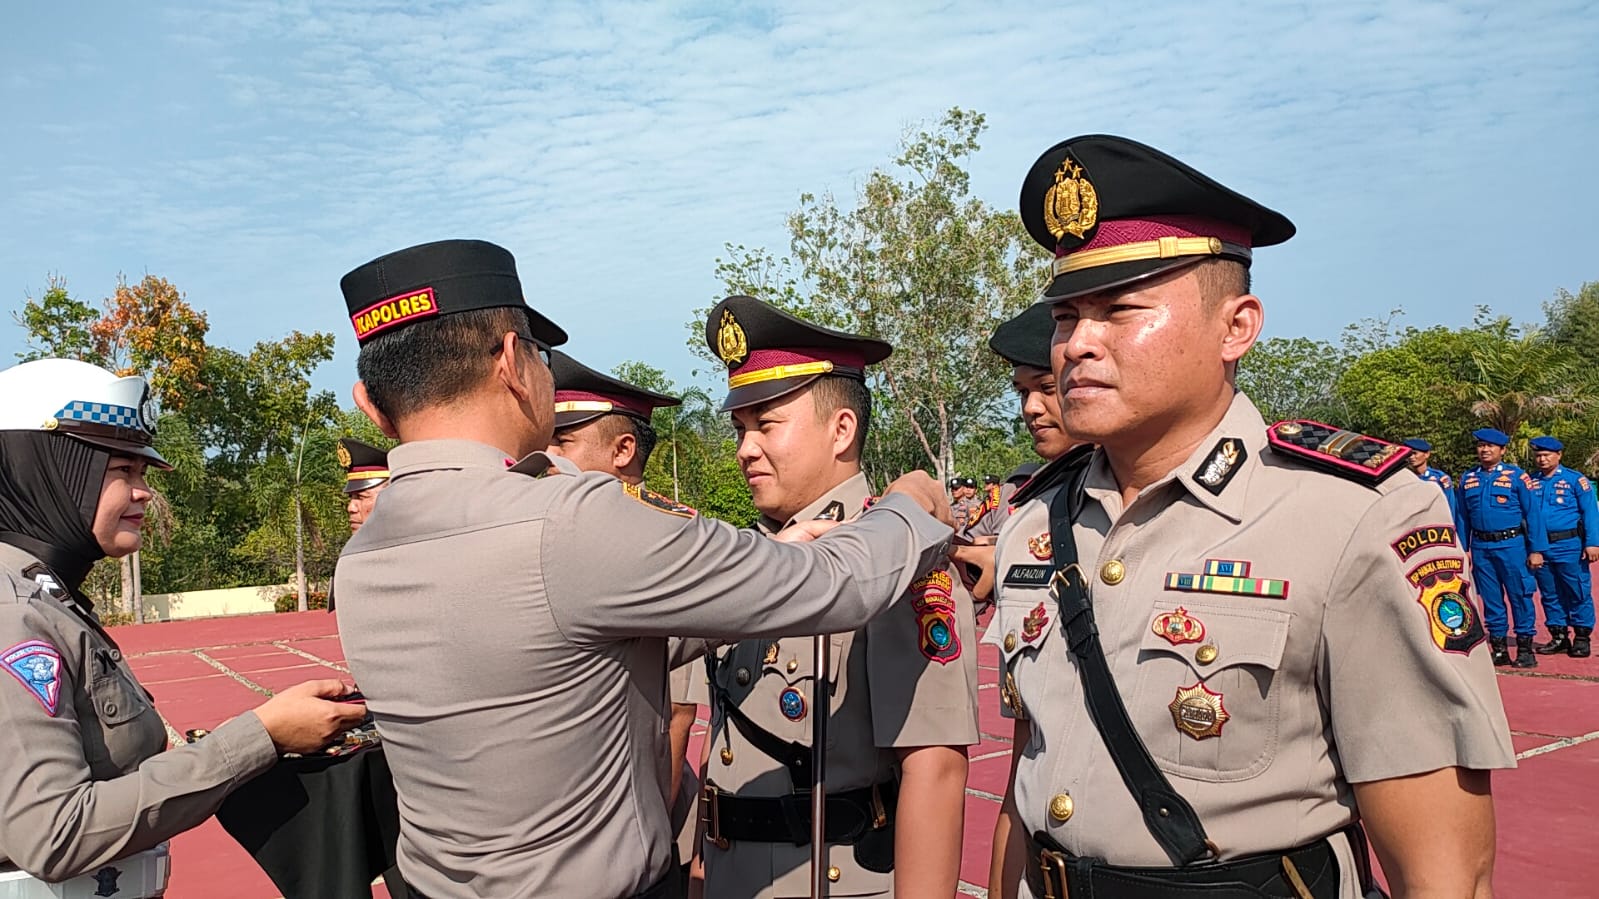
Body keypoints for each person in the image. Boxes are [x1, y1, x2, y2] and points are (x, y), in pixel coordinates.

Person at [331, 239, 954, 899]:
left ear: (368, 404)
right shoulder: (567, 520)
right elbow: (839, 584)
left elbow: (559, 648)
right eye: (541, 356)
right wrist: (908, 506)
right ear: (514, 362)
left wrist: (784, 550)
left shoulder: (362, 560)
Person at [987, 135, 1514, 899]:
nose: (1076, 344)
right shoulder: (1036, 519)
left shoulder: (1351, 513)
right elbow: (1027, 778)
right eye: (1066, 315)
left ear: (1236, 327)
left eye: (1118, 310)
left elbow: (1445, 867)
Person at [0, 358, 366, 895]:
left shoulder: (51, 598)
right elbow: (54, 833)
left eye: (142, 474)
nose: (144, 492)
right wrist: (258, 737)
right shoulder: (14, 615)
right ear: (49, 472)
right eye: (122, 470)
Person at [694, 295, 979, 898]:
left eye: (766, 425)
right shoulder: (753, 555)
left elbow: (934, 770)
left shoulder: (902, 564)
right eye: (740, 429)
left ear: (841, 429)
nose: (745, 449)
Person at [544, 348, 702, 890]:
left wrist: (651, 843)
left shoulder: (670, 546)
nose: (545, 456)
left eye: (562, 442)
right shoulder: (560, 540)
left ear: (623, 449)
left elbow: (678, 718)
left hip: (636, 844)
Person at [1458, 427, 1547, 667]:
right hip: (1481, 547)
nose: (1485, 450)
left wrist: (1536, 549)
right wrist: (1462, 547)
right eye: (1480, 446)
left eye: (1490, 446)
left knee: (1520, 595)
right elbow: (1463, 517)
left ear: (1502, 450)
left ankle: (1526, 649)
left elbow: (1533, 515)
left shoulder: (1517, 476)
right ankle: (1499, 648)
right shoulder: (1469, 478)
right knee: (1491, 598)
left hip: (1512, 545)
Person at [1526, 435, 1597, 657]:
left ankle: (1582, 636)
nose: (1542, 459)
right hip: (1541, 546)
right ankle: (1559, 635)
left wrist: (1593, 543)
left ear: (1559, 455)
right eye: (1538, 455)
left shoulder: (1575, 480)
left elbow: (1590, 513)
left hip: (1569, 544)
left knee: (1576, 590)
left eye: (1547, 455)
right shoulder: (1530, 481)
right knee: (1549, 593)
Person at [326, 437, 391, 614]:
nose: (351, 507)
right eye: (351, 498)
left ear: (392, 495)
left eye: (361, 497)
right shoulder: (353, 556)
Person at [1402, 437, 1458, 523]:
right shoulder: (1404, 478)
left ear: (1427, 454)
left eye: (1414, 453)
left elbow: (1450, 507)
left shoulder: (1440, 478)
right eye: (1409, 454)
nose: (1411, 457)